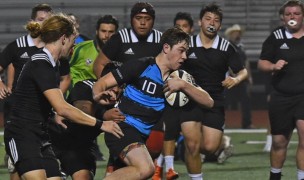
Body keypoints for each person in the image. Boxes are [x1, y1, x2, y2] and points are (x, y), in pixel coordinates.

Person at [3, 13, 123, 180]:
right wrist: (101, 124)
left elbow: (46, 102)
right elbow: (62, 107)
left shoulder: (54, 64)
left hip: (41, 134)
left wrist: (95, 99)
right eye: (74, 40)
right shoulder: (40, 64)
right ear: (63, 38)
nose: (75, 45)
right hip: (22, 134)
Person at [92, 26, 214, 180]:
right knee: (146, 168)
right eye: (181, 50)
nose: (185, 56)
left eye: (187, 52)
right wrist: (98, 96)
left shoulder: (180, 78)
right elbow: (100, 84)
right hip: (122, 127)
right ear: (166, 47)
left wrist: (184, 85)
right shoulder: (141, 66)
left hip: (141, 136)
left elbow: (209, 102)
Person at [0, 4, 70, 180]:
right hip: (20, 117)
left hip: (41, 124)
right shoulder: (23, 48)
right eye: (41, 19)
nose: (44, 23)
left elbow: (65, 78)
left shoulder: (56, 58)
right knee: (20, 168)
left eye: (48, 19)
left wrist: (56, 100)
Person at [181, 3, 248, 179]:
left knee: (209, 147)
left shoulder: (226, 47)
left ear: (220, 25)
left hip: (215, 101)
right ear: (200, 22)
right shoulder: (188, 45)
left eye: (216, 20)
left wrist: (235, 79)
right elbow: (172, 66)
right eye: (208, 19)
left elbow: (243, 71)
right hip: (190, 100)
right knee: (193, 145)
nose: (212, 23)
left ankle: (222, 143)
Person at [93, 2, 164, 161]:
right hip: (126, 104)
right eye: (139, 18)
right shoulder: (120, 39)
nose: (143, 22)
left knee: (154, 148)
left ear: (153, 20)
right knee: (122, 151)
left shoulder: (161, 40)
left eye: (147, 18)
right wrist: (110, 89)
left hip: (152, 102)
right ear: (132, 19)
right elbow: (100, 64)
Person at [49, 62, 125, 180]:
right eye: (113, 84)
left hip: (82, 147)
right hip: (55, 140)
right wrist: (103, 115)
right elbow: (83, 111)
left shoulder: (124, 99)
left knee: (84, 177)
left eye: (120, 85)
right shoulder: (86, 86)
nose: (116, 89)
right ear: (103, 80)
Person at [257, 1, 304, 179]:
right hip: (281, 96)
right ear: (283, 18)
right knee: (278, 142)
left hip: (303, 96)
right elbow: (262, 63)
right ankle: (275, 176)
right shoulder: (275, 37)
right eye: (288, 14)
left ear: (303, 16)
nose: (293, 17)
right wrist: (273, 67)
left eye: (297, 13)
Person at [152, 11, 194, 180]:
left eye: (185, 26)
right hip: (168, 95)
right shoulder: (167, 49)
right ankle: (165, 168)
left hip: (186, 97)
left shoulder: (192, 50)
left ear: (191, 28)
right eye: (178, 26)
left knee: (180, 134)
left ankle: (160, 165)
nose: (181, 29)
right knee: (168, 128)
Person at [70, 15, 119, 86]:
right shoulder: (81, 48)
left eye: (111, 32)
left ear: (116, 33)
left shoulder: (120, 53)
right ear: (97, 31)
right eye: (103, 31)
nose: (107, 35)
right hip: (78, 95)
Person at [224, 24, 254, 129]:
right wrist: (234, 74)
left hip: (242, 79)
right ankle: (219, 123)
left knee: (246, 101)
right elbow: (226, 61)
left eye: (239, 33)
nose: (238, 35)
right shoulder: (226, 46)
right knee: (224, 102)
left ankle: (247, 123)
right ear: (231, 34)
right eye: (236, 33)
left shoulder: (241, 46)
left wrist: (249, 77)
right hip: (230, 79)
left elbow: (246, 62)